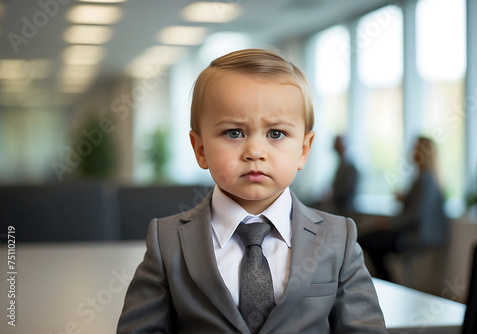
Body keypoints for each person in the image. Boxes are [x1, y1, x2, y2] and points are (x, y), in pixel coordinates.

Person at [117, 49, 386, 333]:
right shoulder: (167, 240)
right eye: (234, 132)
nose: (255, 151)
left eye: (276, 134)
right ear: (200, 149)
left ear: (303, 150)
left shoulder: (338, 238)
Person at [358, 136, 449, 282]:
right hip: (419, 232)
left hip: (416, 235)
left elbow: (415, 216)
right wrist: (406, 199)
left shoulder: (424, 179)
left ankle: (389, 283)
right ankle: (388, 283)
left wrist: (388, 224)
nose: (412, 152)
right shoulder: (429, 178)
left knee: (367, 240)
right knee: (372, 241)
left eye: (416, 148)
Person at [331, 135, 359, 217]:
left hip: (345, 211)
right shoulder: (340, 165)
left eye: (338, 143)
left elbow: (346, 190)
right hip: (338, 208)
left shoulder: (349, 167)